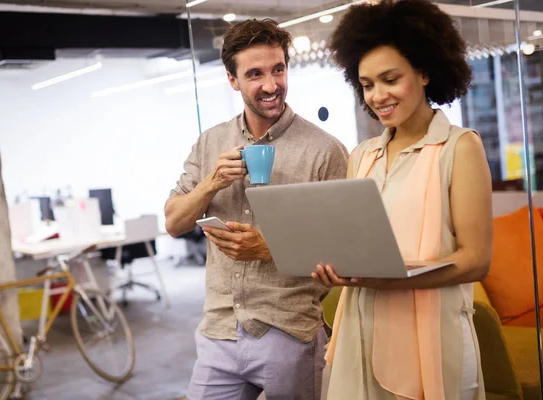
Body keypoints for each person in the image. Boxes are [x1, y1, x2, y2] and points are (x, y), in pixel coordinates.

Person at [311, 1, 492, 399]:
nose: (378, 95)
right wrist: (335, 268)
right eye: (367, 84)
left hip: (433, 336)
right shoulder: (362, 156)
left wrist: (393, 279)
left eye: (390, 79)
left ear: (425, 71)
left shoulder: (458, 148)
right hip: (362, 328)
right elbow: (354, 245)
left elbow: (476, 259)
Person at [165, 18, 349, 400]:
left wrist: (271, 247)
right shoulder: (210, 142)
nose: (270, 85)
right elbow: (173, 222)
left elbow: (343, 249)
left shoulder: (324, 150)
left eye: (277, 69)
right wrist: (211, 182)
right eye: (254, 74)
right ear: (233, 80)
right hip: (218, 331)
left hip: (289, 331)